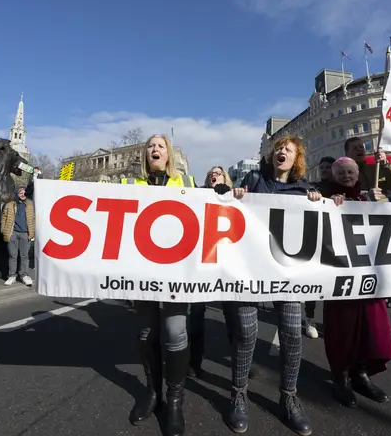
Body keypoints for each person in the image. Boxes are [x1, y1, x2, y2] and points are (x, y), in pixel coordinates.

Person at [226, 136, 321, 435]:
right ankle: (238, 393)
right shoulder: (255, 179)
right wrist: (236, 194)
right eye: (278, 148)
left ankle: (289, 398)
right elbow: (230, 209)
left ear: (297, 159)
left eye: (288, 150)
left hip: (288, 275)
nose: (281, 151)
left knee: (293, 333)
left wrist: (324, 202)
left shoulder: (305, 189)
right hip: (250, 272)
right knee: (246, 332)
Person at [125, 134, 196, 436]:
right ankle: (152, 391)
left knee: (174, 331)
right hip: (142, 273)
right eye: (150, 146)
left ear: (169, 155)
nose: (155, 149)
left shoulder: (187, 183)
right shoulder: (129, 186)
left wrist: (223, 192)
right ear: (145, 154)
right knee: (146, 331)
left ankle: (175, 399)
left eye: (161, 146)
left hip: (177, 273)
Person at [323, 157, 391, 407]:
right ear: (334, 175)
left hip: (369, 275)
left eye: (351, 171)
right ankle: (341, 376)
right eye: (342, 172)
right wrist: (327, 204)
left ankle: (361, 374)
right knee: (342, 328)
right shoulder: (324, 195)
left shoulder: (369, 196)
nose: (347, 175)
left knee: (371, 326)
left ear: (357, 173)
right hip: (339, 275)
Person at [343, 137, 391, 351]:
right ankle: (369, 327)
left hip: (383, 227)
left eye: (362, 147)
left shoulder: (374, 167)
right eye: (355, 148)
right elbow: (338, 194)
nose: (360, 150)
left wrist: (385, 164)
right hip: (357, 231)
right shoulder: (344, 170)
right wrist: (364, 195)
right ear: (347, 152)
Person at [188, 166, 260, 380]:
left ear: (225, 178)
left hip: (228, 268)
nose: (213, 174)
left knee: (235, 319)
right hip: (202, 266)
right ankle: (194, 362)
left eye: (218, 172)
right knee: (196, 318)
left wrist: (237, 196)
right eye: (210, 172)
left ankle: (242, 363)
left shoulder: (236, 197)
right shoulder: (198, 195)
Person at [303, 156, 336, 339]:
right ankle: (310, 318)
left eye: (328, 167)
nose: (324, 170)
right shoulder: (313, 187)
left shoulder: (343, 187)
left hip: (338, 241)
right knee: (312, 282)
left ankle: (333, 320)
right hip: (317, 240)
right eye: (322, 167)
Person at [1, 185, 35, 286]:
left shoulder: (30, 204)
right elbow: (4, 217)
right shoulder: (10, 204)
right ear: (17, 193)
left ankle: (24, 275)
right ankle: (12, 276)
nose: (22, 194)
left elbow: (34, 218)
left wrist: (32, 232)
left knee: (24, 256)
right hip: (13, 233)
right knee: (13, 256)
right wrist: (4, 230)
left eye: (24, 192)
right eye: (20, 192)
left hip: (25, 233)